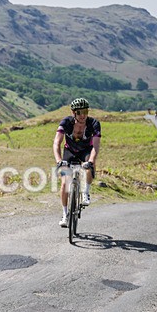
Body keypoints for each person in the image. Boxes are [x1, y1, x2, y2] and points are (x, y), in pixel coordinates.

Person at [53, 97, 101, 227]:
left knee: (89, 166)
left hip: (86, 150)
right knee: (64, 184)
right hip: (69, 151)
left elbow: (96, 147)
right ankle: (65, 214)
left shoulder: (94, 124)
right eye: (80, 112)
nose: (83, 115)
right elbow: (57, 142)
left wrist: (90, 161)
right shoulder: (66, 122)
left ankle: (86, 193)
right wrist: (59, 161)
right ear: (74, 112)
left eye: (85, 111)